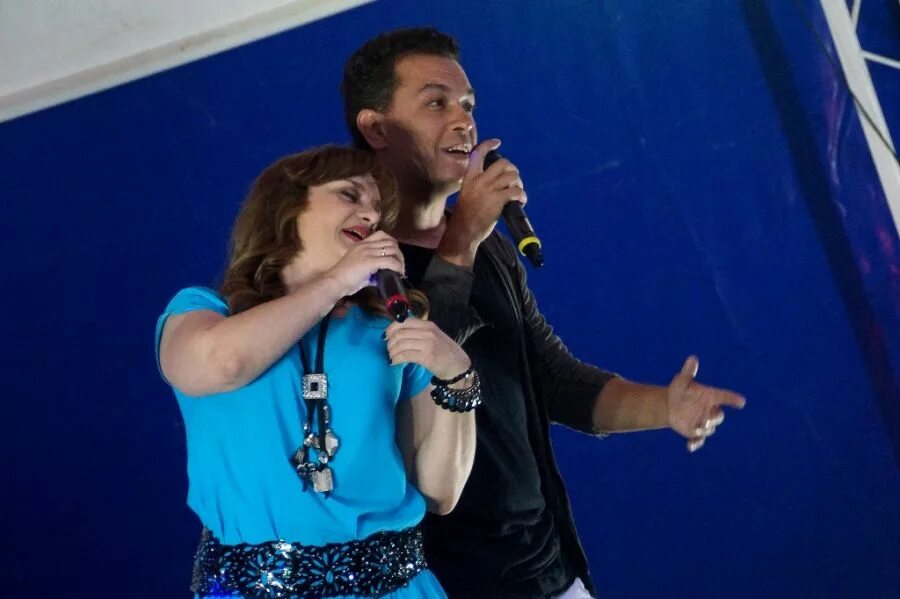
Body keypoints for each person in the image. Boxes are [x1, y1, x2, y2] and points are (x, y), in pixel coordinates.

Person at [341, 28, 747, 598]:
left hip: (548, 571)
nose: (463, 122)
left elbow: (551, 379)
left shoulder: (490, 247)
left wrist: (666, 406)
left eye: (468, 105)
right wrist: (462, 240)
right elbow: (407, 381)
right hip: (444, 583)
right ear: (376, 127)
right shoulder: (356, 264)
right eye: (436, 103)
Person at [155, 145, 480, 598]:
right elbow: (220, 365)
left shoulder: (390, 329)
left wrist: (458, 377)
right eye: (349, 194)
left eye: (377, 209)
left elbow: (440, 491)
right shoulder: (204, 311)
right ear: (286, 208)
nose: (371, 214)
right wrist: (336, 281)